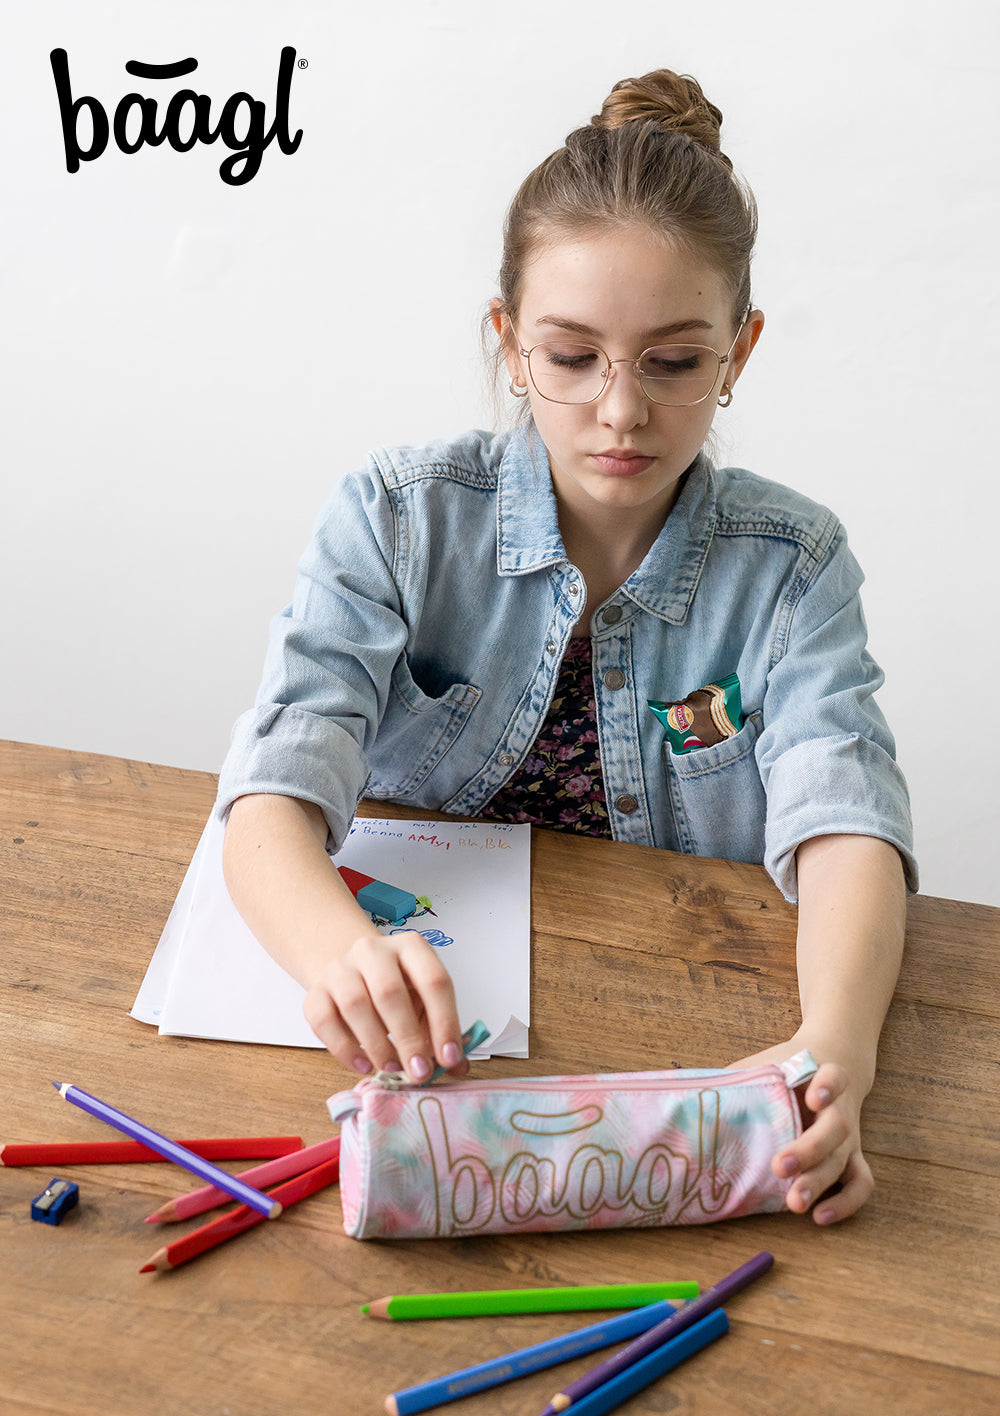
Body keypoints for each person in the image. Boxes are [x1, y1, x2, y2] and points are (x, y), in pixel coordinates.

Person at [217, 68, 916, 1226]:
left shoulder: (792, 562)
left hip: (666, 1036)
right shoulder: (394, 517)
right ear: (509, 344)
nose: (621, 411)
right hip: (409, 1068)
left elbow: (844, 813)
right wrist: (341, 953)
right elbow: (272, 794)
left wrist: (834, 1046)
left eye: (674, 362)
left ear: (738, 352)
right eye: (572, 356)